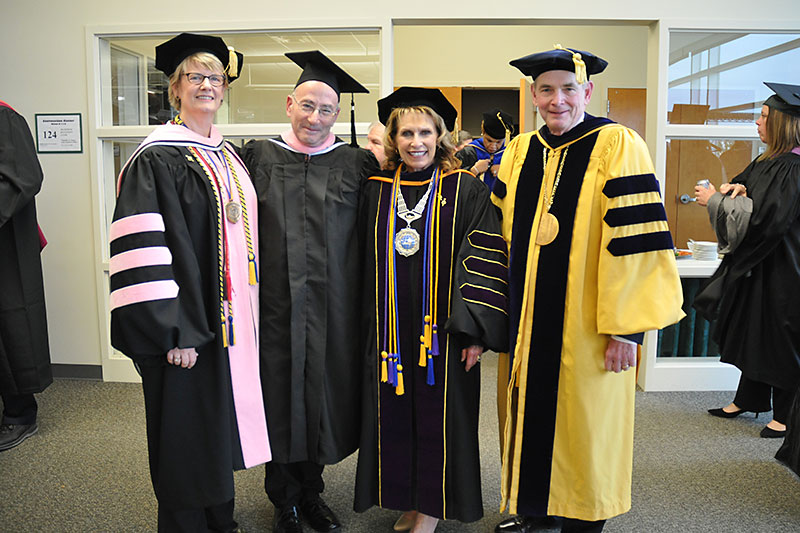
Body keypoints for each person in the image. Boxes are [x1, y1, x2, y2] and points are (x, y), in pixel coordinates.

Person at [492, 46, 684, 533]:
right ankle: (535, 510)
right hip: (526, 324)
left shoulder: (617, 144)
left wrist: (628, 330)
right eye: (546, 90)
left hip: (590, 326)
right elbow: (494, 231)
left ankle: (583, 517)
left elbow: (637, 244)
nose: (557, 100)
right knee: (527, 414)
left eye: (568, 89)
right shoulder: (518, 151)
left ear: (588, 91)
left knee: (586, 426)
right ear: (532, 94)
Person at [109, 33, 270, 532]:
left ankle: (220, 520)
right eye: (194, 76)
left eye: (215, 77)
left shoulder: (227, 155)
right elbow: (146, 248)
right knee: (184, 439)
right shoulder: (156, 158)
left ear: (225, 88)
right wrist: (173, 333)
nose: (206, 85)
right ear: (174, 89)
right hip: (184, 331)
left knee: (213, 432)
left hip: (227, 324)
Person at [353, 87, 509, 533]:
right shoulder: (377, 189)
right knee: (395, 415)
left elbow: (484, 259)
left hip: (445, 331)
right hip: (387, 333)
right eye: (405, 132)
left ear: (439, 135)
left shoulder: (465, 189)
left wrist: (476, 332)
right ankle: (408, 500)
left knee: (442, 418)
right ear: (393, 137)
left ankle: (432, 508)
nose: (415, 141)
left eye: (424, 131)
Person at [241, 51, 379, 533]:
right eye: (306, 106)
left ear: (338, 114)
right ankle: (284, 501)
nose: (315, 118)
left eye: (326, 110)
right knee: (278, 397)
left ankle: (311, 494)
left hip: (332, 308)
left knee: (321, 398)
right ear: (288, 104)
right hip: (274, 307)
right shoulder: (256, 157)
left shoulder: (356, 163)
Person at [695, 82, 800, 439]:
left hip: (785, 266)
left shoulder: (791, 167)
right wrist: (733, 188)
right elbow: (745, 184)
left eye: (765, 116)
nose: (757, 122)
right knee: (756, 330)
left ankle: (786, 415)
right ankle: (749, 398)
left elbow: (765, 222)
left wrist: (713, 200)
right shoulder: (768, 159)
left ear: (784, 123)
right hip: (763, 264)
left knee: (781, 336)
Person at [0, 100, 51, 452]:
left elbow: (23, 177)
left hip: (4, 240)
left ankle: (20, 414)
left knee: (10, 325)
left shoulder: (3, 116)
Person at [456, 109, 513, 191]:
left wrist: (505, 172)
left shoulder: (510, 153)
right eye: (489, 140)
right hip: (475, 202)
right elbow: (454, 182)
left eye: (498, 142)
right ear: (483, 132)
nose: (493, 146)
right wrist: (473, 170)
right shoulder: (468, 153)